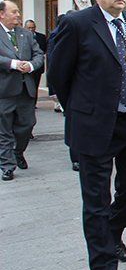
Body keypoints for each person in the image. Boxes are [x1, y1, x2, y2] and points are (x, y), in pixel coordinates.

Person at [47, 0, 126, 270]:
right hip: (95, 126)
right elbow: (59, 77)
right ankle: (104, 268)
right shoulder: (77, 24)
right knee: (96, 200)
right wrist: (82, 110)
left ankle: (112, 231)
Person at [0, 1, 44, 180]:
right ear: (2, 14)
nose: (18, 15)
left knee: (27, 125)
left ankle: (18, 152)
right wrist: (13, 64)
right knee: (4, 129)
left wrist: (31, 66)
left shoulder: (26, 34)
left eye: (18, 11)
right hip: (5, 90)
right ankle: (7, 165)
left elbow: (39, 54)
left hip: (26, 89)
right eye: (14, 12)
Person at [47, 12, 80, 171]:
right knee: (73, 125)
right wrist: (63, 97)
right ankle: (76, 158)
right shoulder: (57, 36)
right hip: (71, 91)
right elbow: (55, 68)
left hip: (81, 91)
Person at [24, 19, 47, 104]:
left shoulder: (41, 37)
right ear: (25, 27)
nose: (31, 29)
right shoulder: (22, 36)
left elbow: (44, 50)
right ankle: (27, 102)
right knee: (28, 85)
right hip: (25, 66)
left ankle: (33, 103)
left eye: (32, 27)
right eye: (29, 28)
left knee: (35, 85)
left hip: (38, 66)